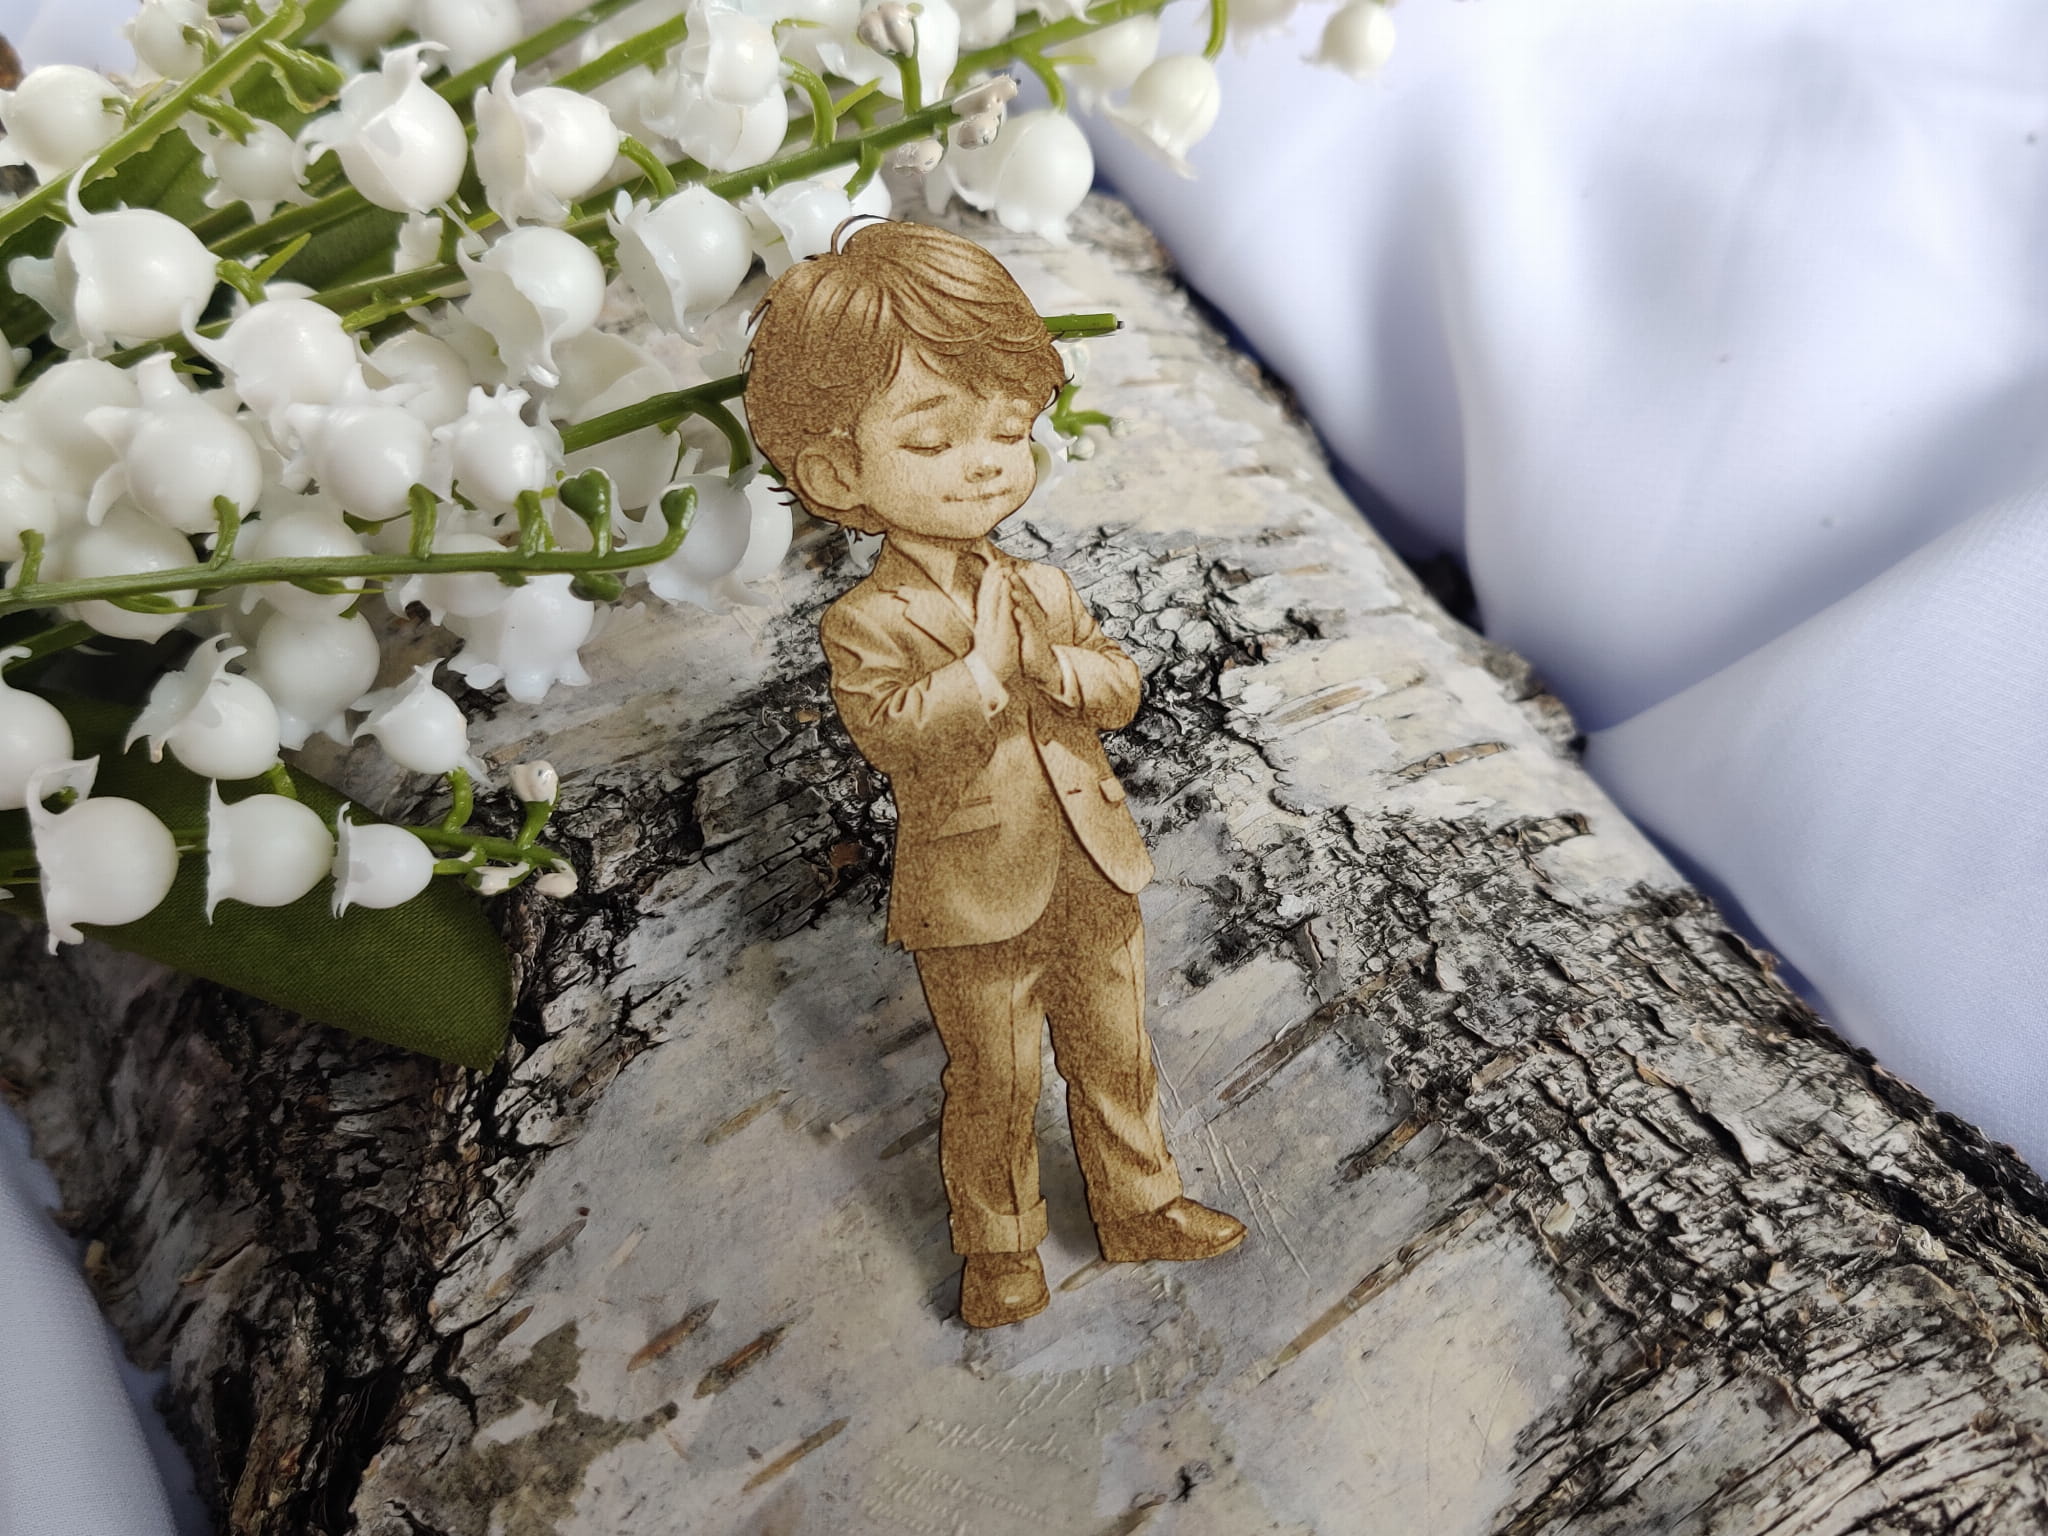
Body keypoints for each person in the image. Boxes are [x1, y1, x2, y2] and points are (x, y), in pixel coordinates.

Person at [744, 218, 1247, 1329]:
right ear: (835, 473)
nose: (982, 463)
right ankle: (1000, 1248)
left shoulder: (1043, 587)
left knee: (1117, 1050)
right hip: (973, 895)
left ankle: (1141, 1202)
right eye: (931, 443)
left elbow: (1118, 683)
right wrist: (979, 670)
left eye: (1008, 431)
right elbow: (893, 732)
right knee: (995, 1079)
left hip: (1091, 860)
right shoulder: (864, 619)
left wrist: (1059, 669)